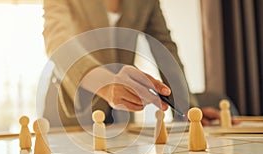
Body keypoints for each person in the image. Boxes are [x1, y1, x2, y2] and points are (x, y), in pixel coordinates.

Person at [42, 0, 221, 127]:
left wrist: (187, 109)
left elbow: (165, 48)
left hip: (121, 113)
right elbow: (58, 40)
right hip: (70, 109)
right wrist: (105, 82)